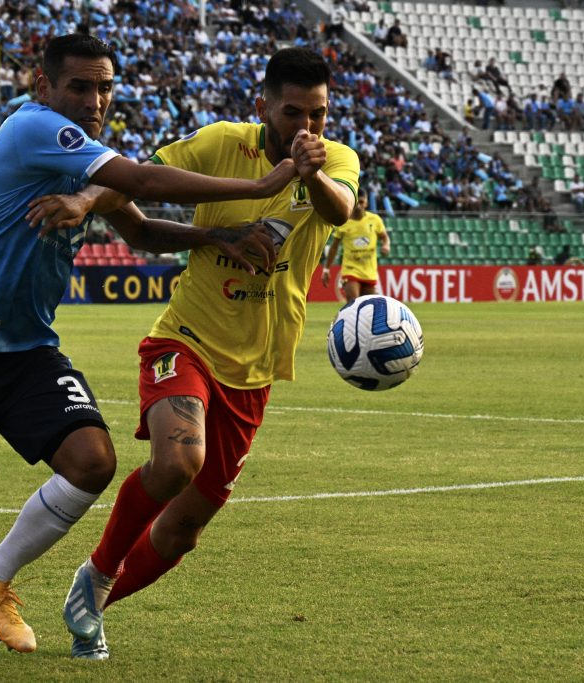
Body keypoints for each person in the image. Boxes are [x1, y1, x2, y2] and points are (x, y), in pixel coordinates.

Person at [0, 33, 297, 667]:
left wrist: (218, 238)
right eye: (80, 86)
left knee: (91, 460)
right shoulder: (33, 128)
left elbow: (143, 229)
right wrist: (261, 185)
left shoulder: (82, 155)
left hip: (26, 352)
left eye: (104, 88)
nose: (95, 99)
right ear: (43, 87)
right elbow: (141, 178)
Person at [33, 47, 358, 660]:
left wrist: (308, 171)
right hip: (185, 340)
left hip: (254, 369)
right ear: (263, 106)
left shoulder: (335, 160)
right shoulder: (219, 143)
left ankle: (93, 602)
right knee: (179, 459)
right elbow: (130, 178)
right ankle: (101, 570)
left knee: (183, 530)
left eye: (318, 115)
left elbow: (340, 210)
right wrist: (82, 202)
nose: (307, 129)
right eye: (293, 113)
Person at [320, 189, 390, 304]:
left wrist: (386, 245)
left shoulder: (375, 220)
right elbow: (334, 247)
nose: (359, 206)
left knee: (370, 308)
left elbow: (384, 237)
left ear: (366, 203)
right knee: (353, 303)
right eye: (356, 202)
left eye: (362, 202)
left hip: (369, 271)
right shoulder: (343, 221)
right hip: (351, 269)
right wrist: (326, 269)